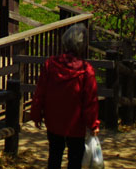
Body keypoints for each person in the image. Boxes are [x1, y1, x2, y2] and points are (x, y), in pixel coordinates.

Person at [31, 24, 100, 169]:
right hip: (76, 123)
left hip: (54, 120)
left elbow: (40, 92)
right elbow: (90, 101)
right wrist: (93, 123)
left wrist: (36, 114)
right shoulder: (86, 70)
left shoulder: (51, 64)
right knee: (75, 160)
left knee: (54, 155)